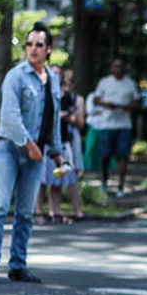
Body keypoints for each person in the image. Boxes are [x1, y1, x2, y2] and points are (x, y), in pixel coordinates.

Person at [0, 21, 65, 285]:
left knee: (26, 212)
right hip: (10, 147)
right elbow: (10, 116)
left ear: (48, 49)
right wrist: (30, 145)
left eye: (39, 44)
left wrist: (57, 153)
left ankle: (17, 265)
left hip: (36, 154)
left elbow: (53, 121)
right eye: (29, 44)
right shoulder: (16, 76)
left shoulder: (52, 80)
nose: (33, 49)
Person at [37, 68, 84, 224]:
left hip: (62, 141)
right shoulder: (43, 91)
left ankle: (55, 211)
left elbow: (74, 118)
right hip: (45, 143)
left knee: (58, 179)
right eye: (53, 72)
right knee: (42, 179)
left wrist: (67, 117)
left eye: (59, 73)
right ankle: (38, 212)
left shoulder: (66, 96)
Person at [92, 57, 141, 197]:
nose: (118, 69)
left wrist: (126, 107)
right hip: (107, 124)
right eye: (115, 66)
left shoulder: (130, 84)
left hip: (124, 125)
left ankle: (120, 185)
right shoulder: (105, 82)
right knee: (105, 155)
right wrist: (106, 104)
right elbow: (96, 99)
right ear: (112, 67)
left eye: (120, 66)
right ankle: (104, 179)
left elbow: (137, 103)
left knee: (123, 156)